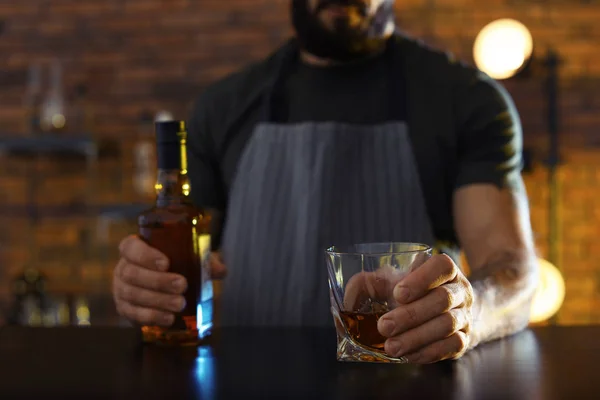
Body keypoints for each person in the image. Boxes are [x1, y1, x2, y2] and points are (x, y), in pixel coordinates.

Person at [113, 0, 538, 364]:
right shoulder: (222, 106)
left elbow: (512, 271)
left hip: (403, 382)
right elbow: (186, 258)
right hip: (249, 381)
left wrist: (471, 310)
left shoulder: (468, 100)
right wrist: (146, 286)